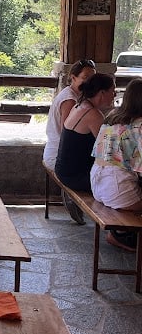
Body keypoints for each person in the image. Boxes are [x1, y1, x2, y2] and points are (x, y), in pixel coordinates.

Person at [54, 74, 116, 223]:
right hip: (75, 176)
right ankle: (119, 229)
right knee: (122, 185)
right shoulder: (93, 115)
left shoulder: (80, 105)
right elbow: (109, 152)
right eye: (113, 92)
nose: (114, 96)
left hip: (63, 169)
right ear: (102, 93)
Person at [91, 77, 142, 252]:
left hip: (97, 184)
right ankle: (123, 236)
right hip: (117, 190)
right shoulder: (139, 125)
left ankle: (121, 233)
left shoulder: (113, 118)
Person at [43, 59, 97, 170]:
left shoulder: (76, 95)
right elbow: (67, 136)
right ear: (73, 78)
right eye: (85, 77)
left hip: (62, 153)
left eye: (93, 78)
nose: (90, 82)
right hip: (58, 157)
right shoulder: (69, 100)